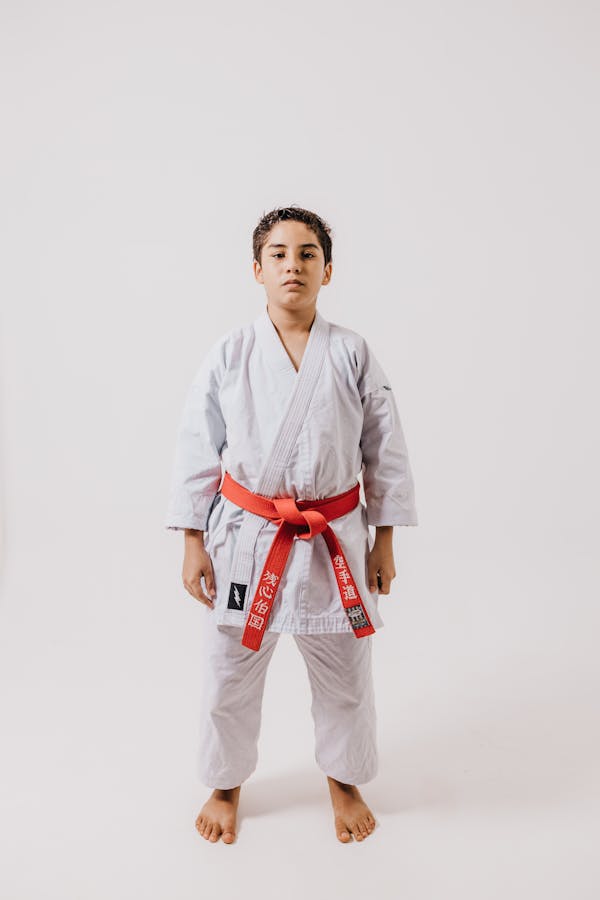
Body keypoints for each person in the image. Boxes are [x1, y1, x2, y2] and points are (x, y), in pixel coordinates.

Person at [164, 205, 418, 844]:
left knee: (347, 675)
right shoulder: (231, 352)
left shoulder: (352, 352)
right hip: (249, 542)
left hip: (334, 539)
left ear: (327, 271)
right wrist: (193, 541)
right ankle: (225, 784)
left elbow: (383, 448)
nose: (292, 266)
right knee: (228, 674)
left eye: (307, 254)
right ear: (257, 269)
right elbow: (199, 448)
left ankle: (343, 777)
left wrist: (384, 539)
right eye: (278, 254)